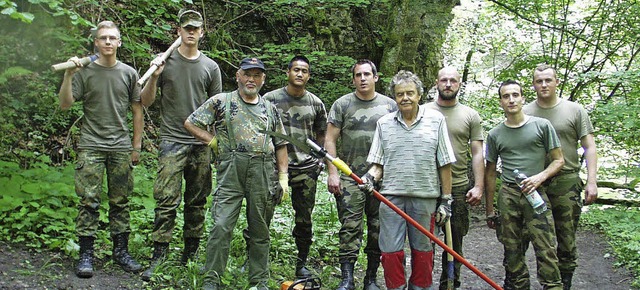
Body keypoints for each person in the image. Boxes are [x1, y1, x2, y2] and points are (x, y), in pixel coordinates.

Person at [184, 57, 288, 290]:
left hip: (262, 171)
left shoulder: (270, 109)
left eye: (257, 75)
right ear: (238, 76)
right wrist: (211, 141)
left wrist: (283, 177)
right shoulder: (221, 101)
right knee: (221, 226)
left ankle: (259, 280)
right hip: (231, 171)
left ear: (263, 79)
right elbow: (191, 123)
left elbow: (281, 144)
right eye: (247, 74)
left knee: (260, 229)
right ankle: (212, 279)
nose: (251, 79)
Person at [139, 9, 223, 281]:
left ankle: (190, 254)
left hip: (200, 144)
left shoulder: (210, 67)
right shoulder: (164, 63)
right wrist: (153, 76)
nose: (190, 32)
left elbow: (218, 108)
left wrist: (214, 142)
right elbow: (146, 101)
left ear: (201, 32)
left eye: (195, 28)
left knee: (197, 201)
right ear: (178, 31)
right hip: (171, 141)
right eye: (186, 27)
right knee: (166, 200)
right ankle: (159, 256)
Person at [58, 20, 143, 278]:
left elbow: (137, 110)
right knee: (88, 201)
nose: (107, 42)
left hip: (120, 146)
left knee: (121, 201)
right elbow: (65, 104)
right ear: (96, 42)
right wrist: (68, 74)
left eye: (112, 38)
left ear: (119, 42)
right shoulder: (84, 71)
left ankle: (121, 251)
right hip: (91, 145)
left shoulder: (129, 73)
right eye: (103, 38)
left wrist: (136, 145)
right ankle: (86, 254)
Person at [359, 70, 455, 290]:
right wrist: (370, 178)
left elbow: (445, 163)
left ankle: (420, 288)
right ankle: (396, 287)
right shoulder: (384, 123)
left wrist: (446, 200)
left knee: (423, 250)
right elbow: (378, 164)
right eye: (400, 94)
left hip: (425, 198)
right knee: (390, 251)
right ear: (394, 97)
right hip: (391, 199)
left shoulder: (436, 120)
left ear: (419, 95)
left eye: (410, 93)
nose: (405, 98)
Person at [523, 64, 598, 289]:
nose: (544, 85)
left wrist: (592, 181)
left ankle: (565, 283)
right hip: (536, 184)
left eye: (548, 80)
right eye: (539, 81)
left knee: (566, 239)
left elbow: (589, 147)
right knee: (539, 238)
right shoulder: (525, 111)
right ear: (534, 85)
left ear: (556, 82)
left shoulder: (575, 110)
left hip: (567, 182)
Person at [484, 80, 564, 290]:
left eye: (515, 95)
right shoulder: (495, 134)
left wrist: (539, 178)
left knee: (546, 248)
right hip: (509, 195)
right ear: (501, 102)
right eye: (506, 96)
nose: (511, 100)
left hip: (535, 193)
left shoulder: (541, 126)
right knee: (512, 250)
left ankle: (553, 286)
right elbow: (490, 171)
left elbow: (559, 160)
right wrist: (490, 209)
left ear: (522, 98)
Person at [325, 59, 397, 290]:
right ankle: (347, 278)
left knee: (378, 228)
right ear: (353, 78)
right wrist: (333, 173)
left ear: (376, 78)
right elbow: (330, 140)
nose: (363, 78)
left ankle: (371, 278)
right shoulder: (342, 104)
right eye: (358, 75)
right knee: (350, 227)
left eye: (367, 74)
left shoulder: (390, 106)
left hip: (382, 179)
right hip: (350, 176)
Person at [263, 55, 328, 278]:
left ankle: (301, 263)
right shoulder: (270, 99)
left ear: (308, 75)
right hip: (273, 167)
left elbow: (322, 134)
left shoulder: (315, 103)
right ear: (288, 72)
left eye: (304, 71)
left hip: (305, 168)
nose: (300, 74)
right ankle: (256, 260)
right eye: (296, 70)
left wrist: (320, 162)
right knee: (262, 214)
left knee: (304, 219)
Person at [424, 66, 484, 289]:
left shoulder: (470, 115)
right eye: (443, 80)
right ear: (436, 83)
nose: (448, 84)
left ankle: (450, 283)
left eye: (453, 81)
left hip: (457, 186)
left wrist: (478, 186)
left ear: (459, 84)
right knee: (424, 241)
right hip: (427, 185)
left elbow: (477, 153)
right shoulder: (423, 111)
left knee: (455, 240)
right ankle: (423, 282)